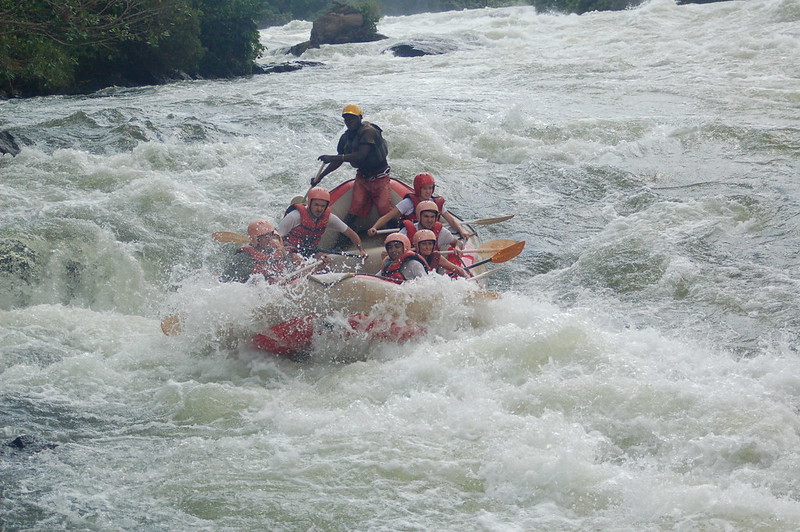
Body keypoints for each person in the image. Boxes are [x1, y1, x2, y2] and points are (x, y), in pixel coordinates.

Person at [313, 104, 392, 229]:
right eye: (346, 119)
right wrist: (321, 176)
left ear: (360, 118)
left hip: (380, 177)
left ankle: (394, 236)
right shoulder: (345, 137)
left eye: (352, 119)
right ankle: (342, 240)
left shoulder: (368, 131)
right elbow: (339, 160)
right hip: (363, 177)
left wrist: (332, 157)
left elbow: (360, 156)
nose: (349, 122)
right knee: (355, 208)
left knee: (384, 208)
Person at [367, 172, 469, 239]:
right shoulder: (409, 203)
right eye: (425, 189)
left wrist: (461, 230)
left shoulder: (435, 203)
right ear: (418, 188)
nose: (428, 191)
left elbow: (450, 220)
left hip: (431, 236)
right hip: (411, 234)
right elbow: (388, 216)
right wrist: (374, 227)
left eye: (430, 188)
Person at [276, 187, 367, 262]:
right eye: (316, 205)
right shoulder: (295, 216)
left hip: (310, 250)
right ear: (310, 203)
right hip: (288, 249)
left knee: (326, 259)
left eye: (323, 206)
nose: (319, 209)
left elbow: (351, 233)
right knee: (298, 260)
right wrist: (288, 253)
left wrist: (361, 250)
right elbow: (276, 237)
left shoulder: (329, 218)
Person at [220, 220, 299, 283]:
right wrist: (269, 281)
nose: (270, 239)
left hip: (281, 286)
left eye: (270, 234)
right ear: (256, 240)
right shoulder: (244, 258)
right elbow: (227, 282)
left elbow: (291, 270)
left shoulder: (279, 250)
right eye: (265, 236)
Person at [398, 200, 464, 256]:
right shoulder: (405, 232)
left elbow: (458, 242)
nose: (429, 220)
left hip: (432, 268)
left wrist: (457, 247)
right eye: (426, 217)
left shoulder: (441, 232)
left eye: (432, 217)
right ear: (419, 217)